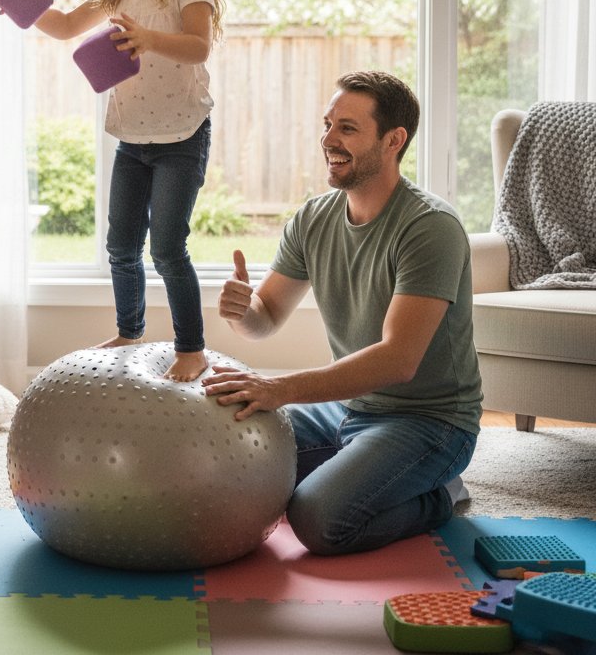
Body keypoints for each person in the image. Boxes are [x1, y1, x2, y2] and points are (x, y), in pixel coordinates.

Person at [203, 71, 482, 556]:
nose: (328, 139)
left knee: (317, 519)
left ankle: (439, 496)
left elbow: (398, 360)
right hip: (352, 409)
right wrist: (241, 310)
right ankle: (365, 469)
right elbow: (266, 314)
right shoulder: (314, 218)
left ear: (393, 140)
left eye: (347, 128)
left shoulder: (430, 227)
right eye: (328, 124)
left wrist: (281, 389)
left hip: (431, 421)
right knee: (227, 455)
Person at [0, 0, 225, 382]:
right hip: (132, 139)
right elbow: (63, 26)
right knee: (121, 245)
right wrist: (19, 1)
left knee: (166, 247)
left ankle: (193, 348)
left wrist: (147, 39)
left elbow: (198, 45)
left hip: (181, 137)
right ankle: (130, 329)